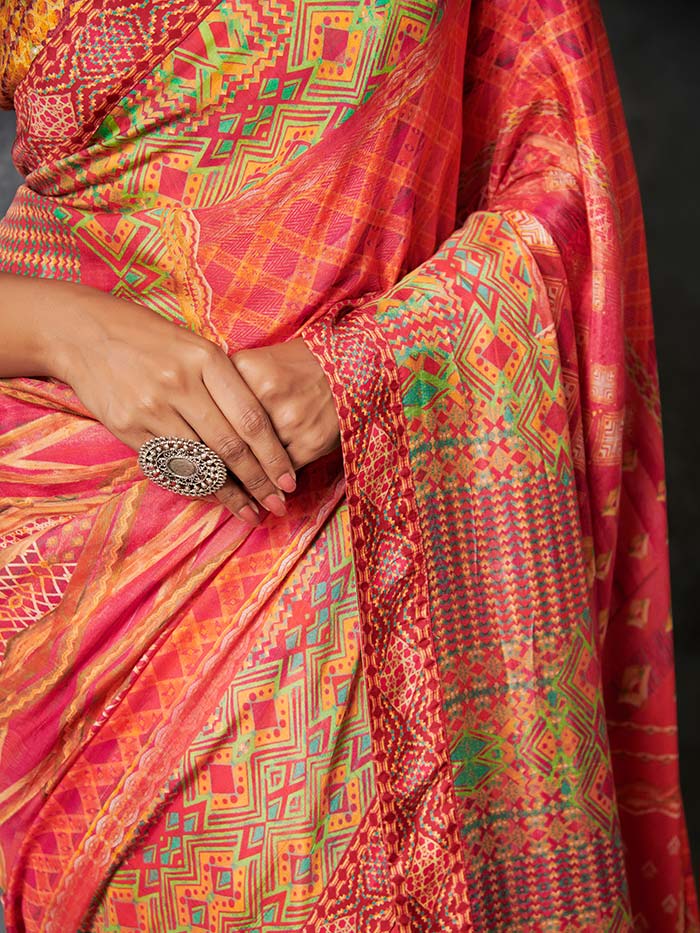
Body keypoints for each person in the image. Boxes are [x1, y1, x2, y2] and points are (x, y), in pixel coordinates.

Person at [0, 0, 697, 930]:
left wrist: (373, 368)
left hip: (378, 539)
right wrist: (70, 333)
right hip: (75, 571)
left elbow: (558, 179)